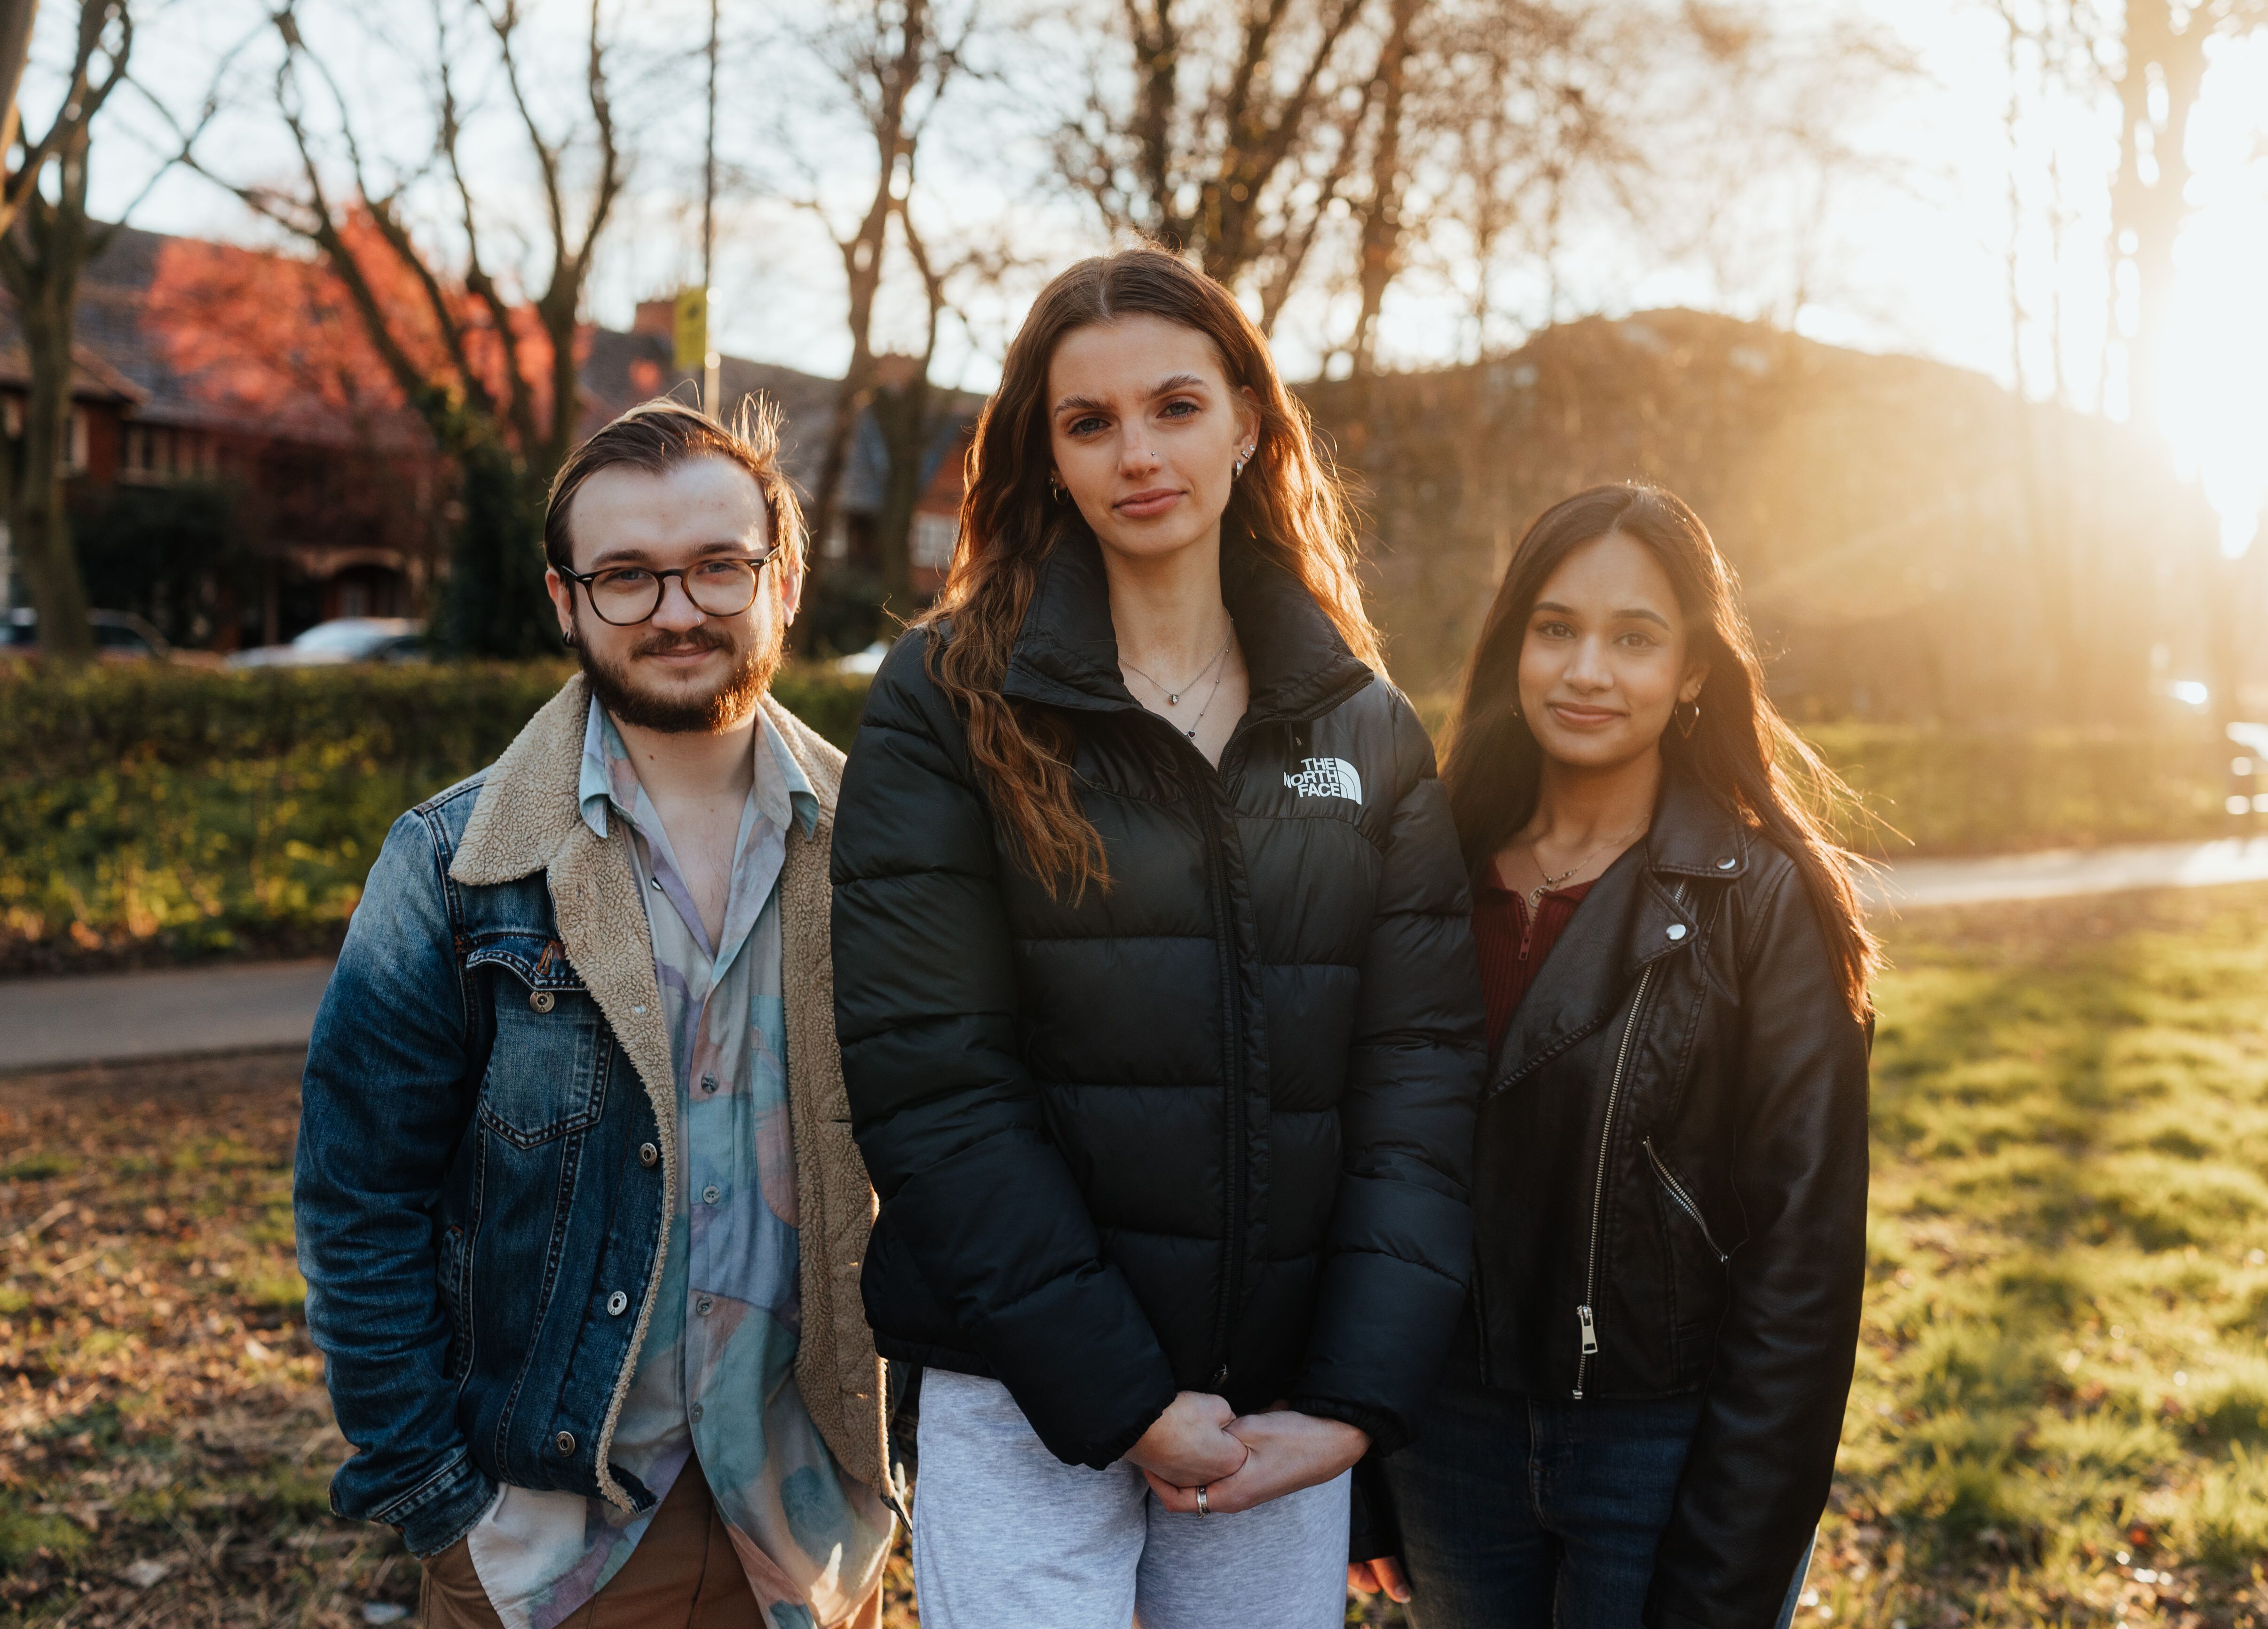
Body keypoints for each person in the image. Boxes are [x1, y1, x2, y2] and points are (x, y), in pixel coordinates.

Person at [828, 246, 1486, 1629]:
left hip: (1275, 1409)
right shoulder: (944, 701)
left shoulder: (1362, 727)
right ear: (1045, 455)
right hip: (1025, 1388)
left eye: (1175, 406)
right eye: (1089, 421)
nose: (1138, 452)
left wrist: (1351, 1402)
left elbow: (1418, 1085)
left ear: (1248, 420)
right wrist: (1119, 1397)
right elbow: (931, 1079)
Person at [295, 400, 893, 1629]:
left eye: (718, 566)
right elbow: (356, 1203)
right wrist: (437, 1499)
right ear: (564, 599)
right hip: (543, 1550)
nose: (677, 610)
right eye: (626, 576)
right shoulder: (455, 867)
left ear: (782, 581)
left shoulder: (889, 847)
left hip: (804, 1539)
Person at [1352, 483, 1875, 1628]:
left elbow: (1805, 1264)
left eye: (1635, 638)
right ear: (1513, 648)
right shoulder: (1421, 868)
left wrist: (1739, 1546)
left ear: (1693, 671)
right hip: (1448, 1437)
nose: (1588, 669)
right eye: (1556, 628)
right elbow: (1361, 1168)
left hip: (1663, 1441)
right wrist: (1363, 1447)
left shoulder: (1762, 902)